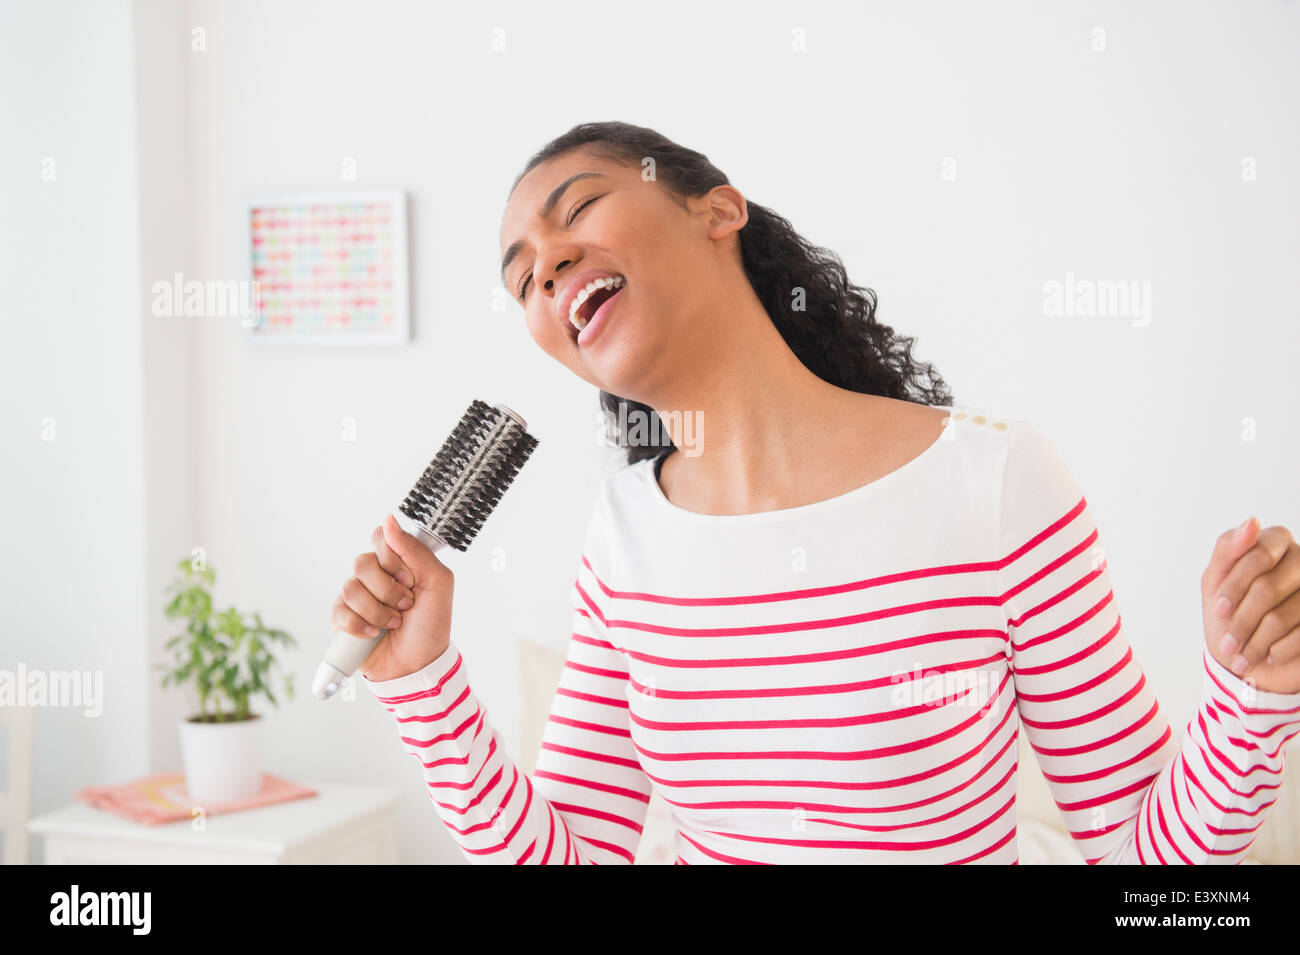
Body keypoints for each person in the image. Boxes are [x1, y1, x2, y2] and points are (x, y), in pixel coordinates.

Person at [331, 121, 1300, 864]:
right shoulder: (623, 535)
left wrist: (1250, 700)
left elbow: (1140, 860)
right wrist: (422, 685)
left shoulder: (994, 483)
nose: (545, 267)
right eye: (521, 279)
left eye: (575, 211)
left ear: (716, 210)